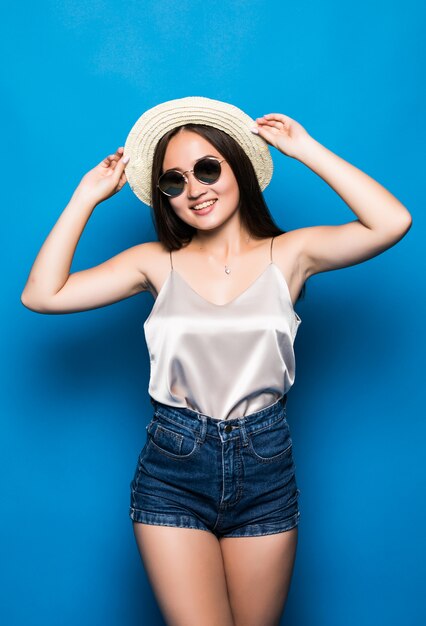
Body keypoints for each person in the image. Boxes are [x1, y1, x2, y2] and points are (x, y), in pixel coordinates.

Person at [21, 96, 412, 626]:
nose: (194, 189)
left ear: (239, 168)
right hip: (174, 465)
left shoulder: (290, 255)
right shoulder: (155, 264)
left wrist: (307, 150)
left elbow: (392, 221)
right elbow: (42, 295)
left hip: (265, 463)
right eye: (174, 181)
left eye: (208, 168)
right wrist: (85, 199)